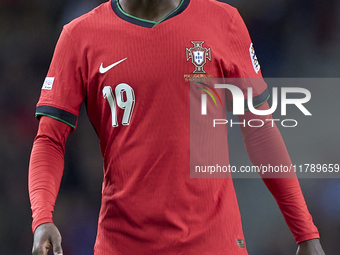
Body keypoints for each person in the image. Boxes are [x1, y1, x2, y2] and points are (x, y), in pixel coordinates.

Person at [29, 0, 326, 254]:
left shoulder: (222, 21)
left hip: (214, 243)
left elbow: (260, 131)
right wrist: (42, 218)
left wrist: (305, 231)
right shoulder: (79, 36)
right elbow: (50, 140)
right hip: (124, 244)